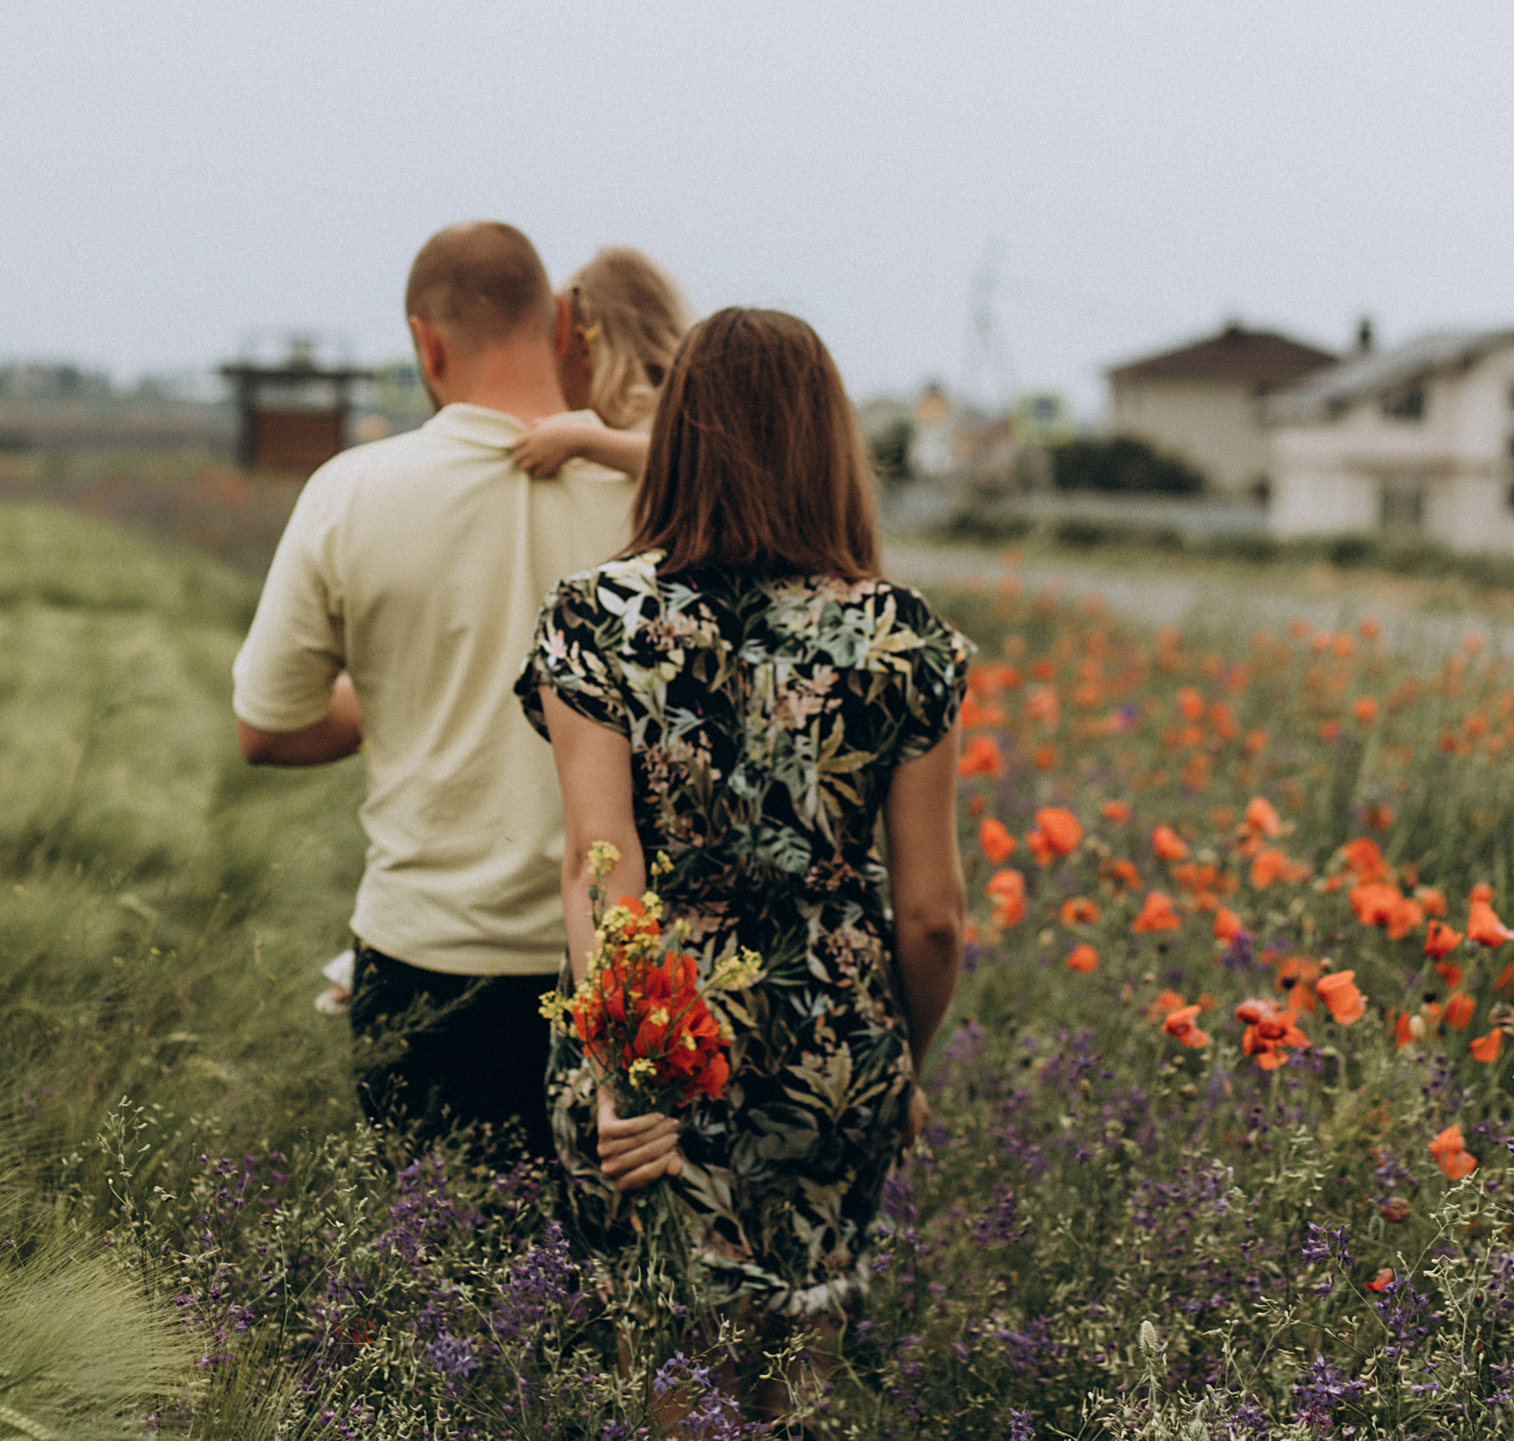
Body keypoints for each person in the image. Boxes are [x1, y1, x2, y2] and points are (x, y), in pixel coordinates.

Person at [516, 307, 971, 1410]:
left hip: (658, 1044)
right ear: (829, 444)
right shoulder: (902, 637)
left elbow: (602, 866)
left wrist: (623, 1082)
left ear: (677, 433)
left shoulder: (596, 619)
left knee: (671, 1374)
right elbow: (932, 917)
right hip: (835, 1049)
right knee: (799, 1374)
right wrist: (893, 1066)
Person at [233, 221, 635, 1154]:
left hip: (423, 954)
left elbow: (267, 727)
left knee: (436, 1238)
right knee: (607, 1240)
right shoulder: (655, 491)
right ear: (562, 322)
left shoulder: (348, 493)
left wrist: (399, 692)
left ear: (426, 341)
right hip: (617, 954)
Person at [508, 246, 693, 482]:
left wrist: (582, 442)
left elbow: (684, 462)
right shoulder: (645, 411)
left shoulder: (671, 410)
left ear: (586, 348)